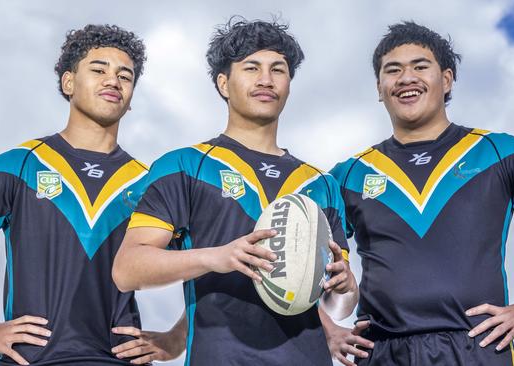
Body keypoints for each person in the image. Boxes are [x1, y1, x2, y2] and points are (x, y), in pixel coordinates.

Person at [329, 21, 514, 365]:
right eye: (392, 70)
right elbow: (303, 258)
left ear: (447, 79)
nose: (406, 78)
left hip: (476, 345)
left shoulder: (501, 152)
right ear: (380, 87)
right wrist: (326, 328)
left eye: (420, 67)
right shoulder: (347, 175)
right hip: (381, 350)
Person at [113, 17, 359, 366]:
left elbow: (336, 304)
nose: (266, 80)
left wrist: (347, 288)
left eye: (278, 69)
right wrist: (216, 257)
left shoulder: (320, 185)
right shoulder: (186, 166)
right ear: (224, 83)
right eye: (251, 68)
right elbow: (127, 268)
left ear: (289, 83)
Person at [0, 24, 185, 365]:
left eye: (124, 76)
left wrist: (178, 338)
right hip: (32, 360)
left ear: (131, 99)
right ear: (68, 83)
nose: (112, 81)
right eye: (98, 70)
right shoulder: (22, 164)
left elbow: (211, 258)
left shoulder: (149, 184)